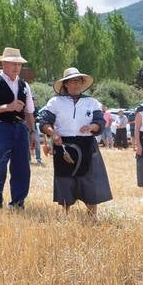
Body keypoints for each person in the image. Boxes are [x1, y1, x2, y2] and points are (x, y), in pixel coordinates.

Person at [38, 67, 112, 216]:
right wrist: (54, 134)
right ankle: (65, 216)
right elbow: (44, 121)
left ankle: (92, 217)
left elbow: (100, 122)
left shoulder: (91, 102)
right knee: (65, 180)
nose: (77, 85)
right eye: (73, 81)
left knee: (90, 181)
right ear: (65, 84)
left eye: (79, 81)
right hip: (63, 145)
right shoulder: (55, 102)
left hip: (87, 145)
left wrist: (91, 126)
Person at [0, 48, 35, 210]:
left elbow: (29, 112)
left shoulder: (24, 85)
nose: (17, 67)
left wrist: (32, 132)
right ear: (3, 63)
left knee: (22, 168)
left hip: (20, 129)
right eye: (13, 63)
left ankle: (18, 203)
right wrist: (7, 107)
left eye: (19, 64)